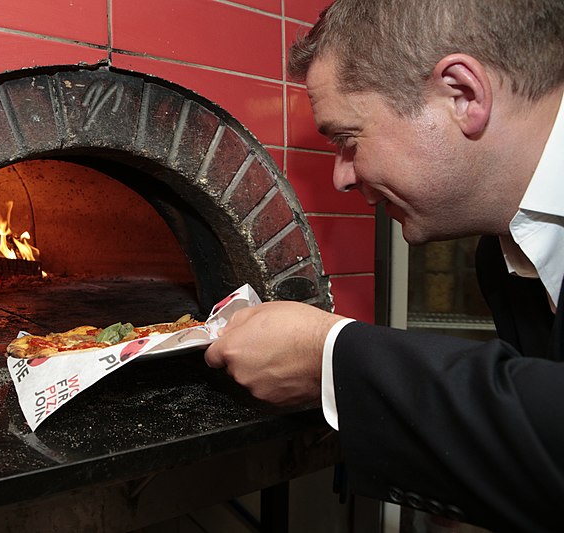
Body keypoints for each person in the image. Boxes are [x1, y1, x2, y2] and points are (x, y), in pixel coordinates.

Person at [204, 0, 564, 531]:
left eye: (347, 140)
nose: (341, 179)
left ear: (462, 95)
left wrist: (328, 358)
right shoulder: (503, 255)